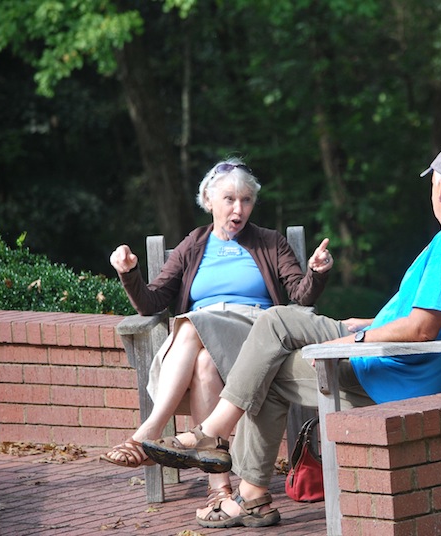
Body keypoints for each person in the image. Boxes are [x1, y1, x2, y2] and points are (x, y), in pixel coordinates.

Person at [142, 145, 441, 529]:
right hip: (393, 352)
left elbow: (421, 329)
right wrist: (366, 324)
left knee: (269, 363)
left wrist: (353, 342)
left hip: (390, 372)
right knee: (278, 322)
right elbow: (430, 316)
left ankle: (232, 468)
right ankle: (224, 454)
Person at [100, 157, 334, 513]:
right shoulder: (192, 245)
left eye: (246, 201)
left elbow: (298, 297)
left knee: (193, 322)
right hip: (200, 343)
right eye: (229, 199)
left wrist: (316, 273)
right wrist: (129, 273)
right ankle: (220, 489)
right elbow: (153, 303)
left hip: (254, 334)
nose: (238, 209)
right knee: (205, 362)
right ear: (208, 200)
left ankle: (148, 433)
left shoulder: (270, 243)